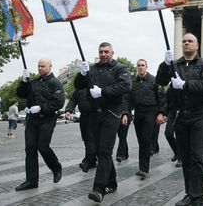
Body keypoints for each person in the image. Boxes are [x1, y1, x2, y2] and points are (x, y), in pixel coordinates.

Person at [156, 33, 203, 206]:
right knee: (186, 158)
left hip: (199, 115)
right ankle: (190, 193)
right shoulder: (175, 64)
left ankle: (198, 197)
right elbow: (160, 80)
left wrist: (185, 85)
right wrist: (164, 64)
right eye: (184, 41)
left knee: (197, 157)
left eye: (190, 41)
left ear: (197, 46)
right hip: (181, 116)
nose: (186, 43)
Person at [75, 42, 132, 203]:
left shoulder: (120, 68)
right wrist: (81, 73)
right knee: (101, 151)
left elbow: (126, 85)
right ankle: (112, 183)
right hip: (95, 114)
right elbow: (77, 86)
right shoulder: (92, 69)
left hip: (112, 112)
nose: (103, 54)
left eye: (106, 51)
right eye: (101, 52)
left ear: (112, 53)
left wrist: (103, 92)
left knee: (104, 151)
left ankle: (98, 189)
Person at [15, 58, 64, 191]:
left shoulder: (56, 83)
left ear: (50, 67)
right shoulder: (34, 82)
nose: (40, 68)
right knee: (30, 149)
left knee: (43, 147)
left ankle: (56, 167)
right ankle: (31, 181)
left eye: (43, 66)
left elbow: (59, 102)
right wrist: (24, 82)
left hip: (47, 119)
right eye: (38, 66)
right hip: (32, 119)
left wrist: (42, 108)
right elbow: (21, 94)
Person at [122, 59, 166, 179]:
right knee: (141, 141)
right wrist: (125, 113)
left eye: (142, 65)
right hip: (138, 112)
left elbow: (162, 97)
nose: (140, 67)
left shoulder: (154, 80)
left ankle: (144, 169)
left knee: (146, 139)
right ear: (137, 68)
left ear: (146, 67)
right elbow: (127, 99)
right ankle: (142, 167)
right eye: (139, 65)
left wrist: (161, 113)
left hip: (151, 112)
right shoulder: (132, 83)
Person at [65, 88, 96, 172]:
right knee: (85, 138)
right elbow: (73, 99)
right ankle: (92, 161)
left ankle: (87, 161)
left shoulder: (96, 82)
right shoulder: (80, 88)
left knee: (90, 138)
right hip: (83, 117)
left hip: (94, 116)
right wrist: (68, 110)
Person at [165, 88, 182, 167]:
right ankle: (177, 152)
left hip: (182, 112)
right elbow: (167, 102)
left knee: (180, 136)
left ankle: (180, 158)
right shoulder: (169, 89)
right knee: (168, 133)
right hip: (172, 112)